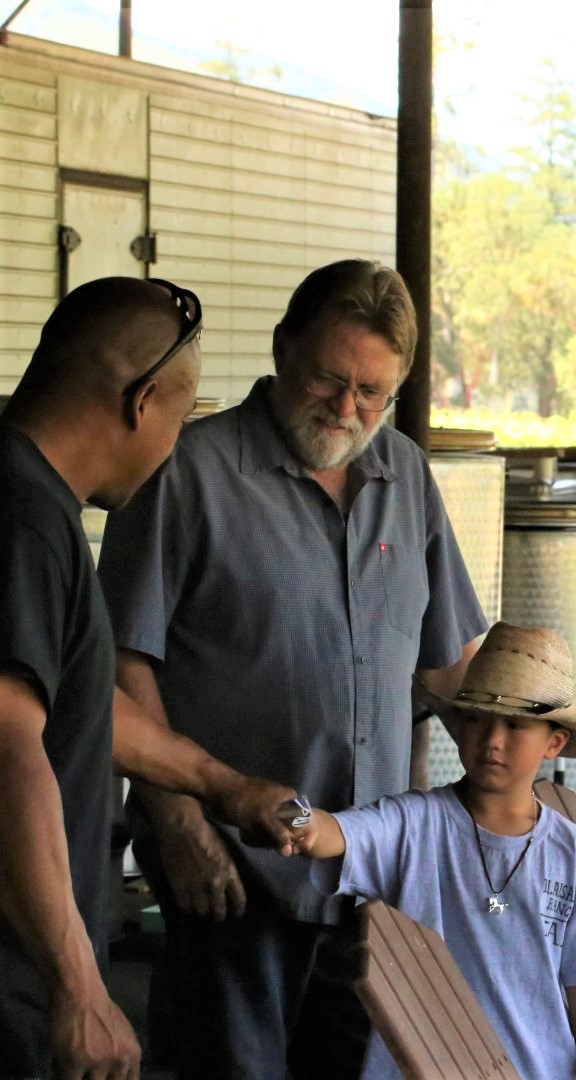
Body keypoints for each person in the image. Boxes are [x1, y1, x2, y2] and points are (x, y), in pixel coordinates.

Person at [97, 260, 489, 1079]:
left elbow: (450, 667)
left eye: (373, 393)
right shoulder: (187, 470)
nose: (348, 409)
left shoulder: (406, 476)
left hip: (375, 874)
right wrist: (177, 824)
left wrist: (518, 779)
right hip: (234, 874)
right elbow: (120, 666)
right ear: (282, 350)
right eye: (328, 379)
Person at [0, 278, 305, 1080]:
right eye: (184, 414)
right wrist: (79, 989)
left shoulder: (33, 506)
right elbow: (7, 750)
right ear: (142, 402)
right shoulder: (25, 524)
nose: (179, 439)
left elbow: (70, 691)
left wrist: (220, 782)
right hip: (13, 986)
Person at [292, 621, 576, 1080]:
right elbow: (328, 833)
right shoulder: (413, 824)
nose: (492, 740)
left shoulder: (574, 856)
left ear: (554, 743)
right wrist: (285, 814)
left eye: (516, 725)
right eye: (475, 718)